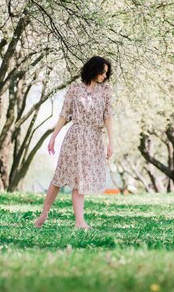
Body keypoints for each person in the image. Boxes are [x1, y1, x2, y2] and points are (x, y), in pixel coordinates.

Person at [34, 56, 114, 229]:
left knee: (81, 179)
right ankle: (43, 215)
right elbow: (64, 113)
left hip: (94, 138)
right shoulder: (75, 89)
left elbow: (108, 117)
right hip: (75, 136)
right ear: (93, 70)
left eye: (106, 73)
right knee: (59, 177)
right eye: (102, 72)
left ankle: (80, 222)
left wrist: (111, 142)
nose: (104, 76)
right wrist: (54, 136)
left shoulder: (106, 91)